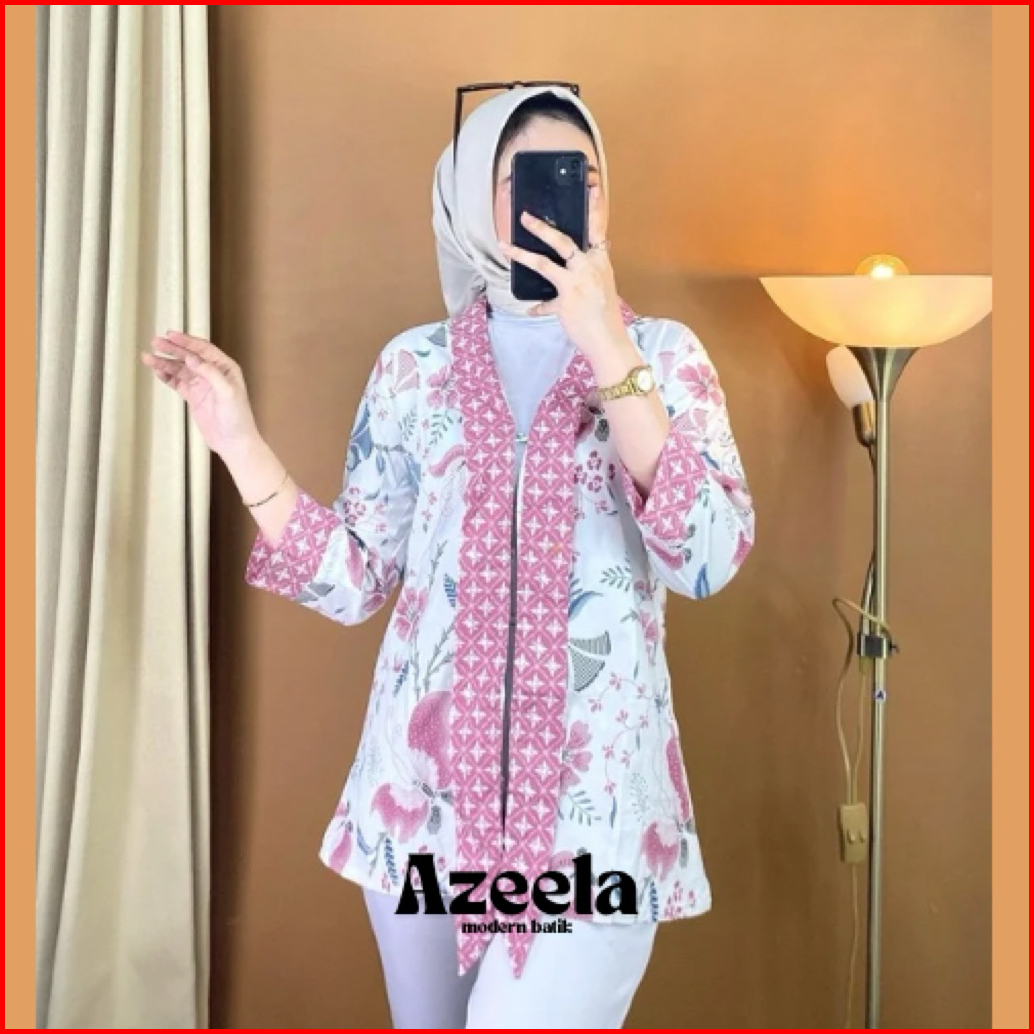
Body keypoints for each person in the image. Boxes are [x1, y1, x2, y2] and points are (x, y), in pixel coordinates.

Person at [143, 85, 755, 1029]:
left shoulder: (665, 357)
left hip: (591, 817)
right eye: (525, 180)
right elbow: (356, 578)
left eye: (583, 177)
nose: (562, 200)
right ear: (474, 201)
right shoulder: (414, 367)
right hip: (422, 807)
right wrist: (237, 439)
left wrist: (606, 346)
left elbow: (707, 557)